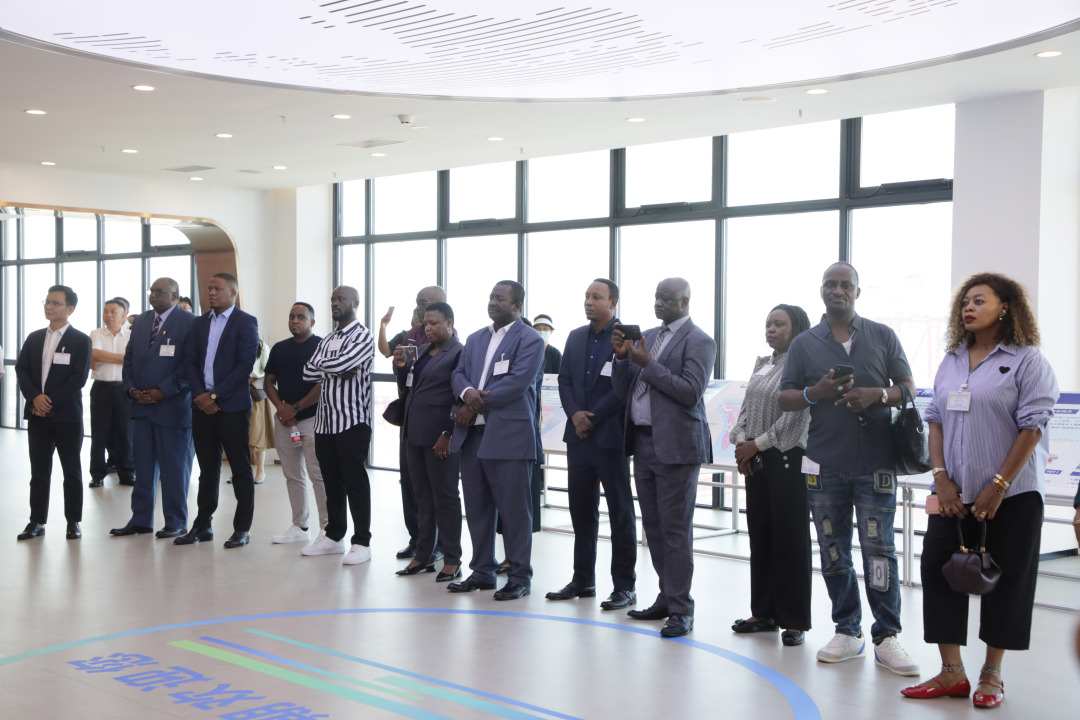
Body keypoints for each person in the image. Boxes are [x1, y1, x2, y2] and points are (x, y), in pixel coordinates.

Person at [901, 273, 1058, 709]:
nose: (968, 308)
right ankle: (952, 672)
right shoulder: (952, 359)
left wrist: (998, 486)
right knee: (938, 570)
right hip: (953, 493)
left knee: (1007, 581)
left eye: (979, 301)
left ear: (1005, 308)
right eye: (965, 302)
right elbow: (935, 419)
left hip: (1013, 495)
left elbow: (1032, 427)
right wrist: (940, 478)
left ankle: (992, 674)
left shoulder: (1027, 360)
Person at [778, 261, 919, 675]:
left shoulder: (882, 335)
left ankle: (886, 636)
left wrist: (877, 394)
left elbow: (908, 388)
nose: (837, 290)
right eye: (830, 284)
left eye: (845, 284)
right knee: (832, 548)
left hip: (876, 462)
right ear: (821, 291)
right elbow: (786, 397)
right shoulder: (804, 343)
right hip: (824, 462)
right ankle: (847, 630)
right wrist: (815, 392)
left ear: (857, 291)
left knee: (880, 549)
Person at [611, 277, 716, 638]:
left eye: (667, 299)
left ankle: (682, 608)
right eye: (657, 297)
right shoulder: (648, 336)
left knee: (675, 529)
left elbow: (690, 392)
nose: (659, 303)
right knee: (654, 527)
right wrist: (623, 357)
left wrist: (648, 363)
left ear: (685, 302)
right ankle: (667, 597)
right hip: (642, 443)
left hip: (677, 446)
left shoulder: (700, 341)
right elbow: (623, 389)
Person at [447, 280, 545, 600]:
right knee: (477, 508)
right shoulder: (475, 338)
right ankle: (482, 571)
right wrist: (466, 392)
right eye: (491, 297)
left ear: (517, 306)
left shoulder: (530, 339)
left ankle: (519, 577)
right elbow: (458, 374)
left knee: (514, 512)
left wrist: (473, 404)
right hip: (473, 436)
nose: (493, 302)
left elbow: (516, 384)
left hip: (509, 436)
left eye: (500, 299)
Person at [547, 279, 637, 609]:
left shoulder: (626, 338)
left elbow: (624, 387)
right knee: (581, 511)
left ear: (613, 303)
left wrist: (591, 417)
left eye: (596, 297)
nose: (589, 301)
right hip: (579, 436)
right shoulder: (574, 337)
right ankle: (583, 579)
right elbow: (565, 381)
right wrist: (575, 414)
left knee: (620, 513)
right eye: (586, 296)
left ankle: (624, 586)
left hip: (609, 437)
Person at [729, 304, 813, 646]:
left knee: (790, 540)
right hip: (756, 458)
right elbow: (745, 411)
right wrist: (741, 443)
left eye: (779, 324)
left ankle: (794, 620)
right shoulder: (763, 364)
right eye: (768, 324)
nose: (771, 329)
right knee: (761, 536)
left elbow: (796, 419)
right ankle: (763, 612)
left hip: (787, 458)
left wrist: (756, 445)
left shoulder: (804, 366)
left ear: (797, 330)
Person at [176, 272, 259, 549]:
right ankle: (203, 525)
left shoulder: (245, 322)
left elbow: (245, 364)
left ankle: (242, 528)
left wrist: (215, 395)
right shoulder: (199, 323)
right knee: (207, 469)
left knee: (240, 468)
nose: (211, 292)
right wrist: (201, 396)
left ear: (233, 293)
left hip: (232, 407)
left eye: (217, 288)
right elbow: (189, 362)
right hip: (201, 406)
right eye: (209, 288)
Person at [112, 277, 196, 539]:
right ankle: (141, 520)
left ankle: (176, 521)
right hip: (142, 406)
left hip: (173, 407)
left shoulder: (190, 322)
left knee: (174, 470)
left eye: (160, 292)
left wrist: (163, 391)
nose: (153, 295)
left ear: (175, 296)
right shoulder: (141, 321)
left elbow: (191, 365)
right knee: (144, 469)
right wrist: (132, 389)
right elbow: (129, 360)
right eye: (152, 291)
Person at [301, 286, 375, 566]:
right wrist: (336, 367)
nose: (335, 303)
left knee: (355, 483)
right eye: (332, 299)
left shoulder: (363, 335)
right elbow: (307, 371)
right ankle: (333, 536)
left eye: (340, 299)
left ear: (355, 303)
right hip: (324, 423)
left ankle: (362, 542)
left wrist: (331, 366)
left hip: (352, 421)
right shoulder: (328, 338)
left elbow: (338, 364)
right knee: (331, 483)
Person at [14, 285, 92, 541]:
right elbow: (22, 369)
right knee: (39, 472)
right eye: (47, 302)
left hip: (67, 416)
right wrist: (35, 398)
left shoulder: (80, 340)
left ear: (70, 309)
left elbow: (78, 378)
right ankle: (37, 521)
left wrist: (48, 401)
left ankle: (73, 522)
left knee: (71, 471)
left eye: (55, 303)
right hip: (37, 415)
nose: (49, 307)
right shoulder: (35, 337)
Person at [393, 301, 464, 580]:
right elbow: (410, 388)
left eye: (434, 323)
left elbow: (459, 398)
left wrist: (448, 432)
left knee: (445, 496)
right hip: (414, 433)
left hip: (440, 437)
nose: (428, 328)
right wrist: (401, 368)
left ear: (449, 323)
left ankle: (452, 559)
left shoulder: (459, 353)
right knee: (422, 496)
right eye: (425, 324)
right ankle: (424, 555)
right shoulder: (422, 351)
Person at [391, 286, 449, 560]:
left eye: (424, 302)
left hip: (436, 424)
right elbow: (404, 378)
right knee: (410, 482)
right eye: (417, 302)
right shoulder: (412, 335)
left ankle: (440, 545)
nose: (419, 307)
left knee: (437, 487)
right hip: (410, 418)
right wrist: (401, 366)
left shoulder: (451, 341)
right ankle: (417, 539)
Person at [264, 302, 327, 545]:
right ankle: (300, 526)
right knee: (292, 475)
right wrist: (280, 408)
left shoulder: (321, 346)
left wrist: (296, 407)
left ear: (312, 321)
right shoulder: (280, 348)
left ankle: (328, 528)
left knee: (318, 474)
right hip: (285, 421)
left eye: (301, 317)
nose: (295, 321)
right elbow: (269, 381)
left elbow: (323, 384)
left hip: (313, 419)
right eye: (292, 316)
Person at [88, 296, 135, 488]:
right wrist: (123, 358)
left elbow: (134, 359)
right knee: (99, 434)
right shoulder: (96, 333)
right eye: (105, 311)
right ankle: (97, 474)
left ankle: (127, 473)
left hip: (125, 389)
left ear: (124, 315)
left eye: (113, 311)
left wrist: (106, 358)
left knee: (126, 433)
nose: (108, 315)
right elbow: (94, 354)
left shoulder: (132, 335)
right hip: (101, 388)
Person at [246, 337, 274, 485]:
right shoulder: (235, 342)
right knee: (238, 433)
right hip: (237, 388)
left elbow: (268, 372)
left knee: (258, 431)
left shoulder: (262, 347)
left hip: (255, 390)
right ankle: (240, 471)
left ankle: (260, 470)